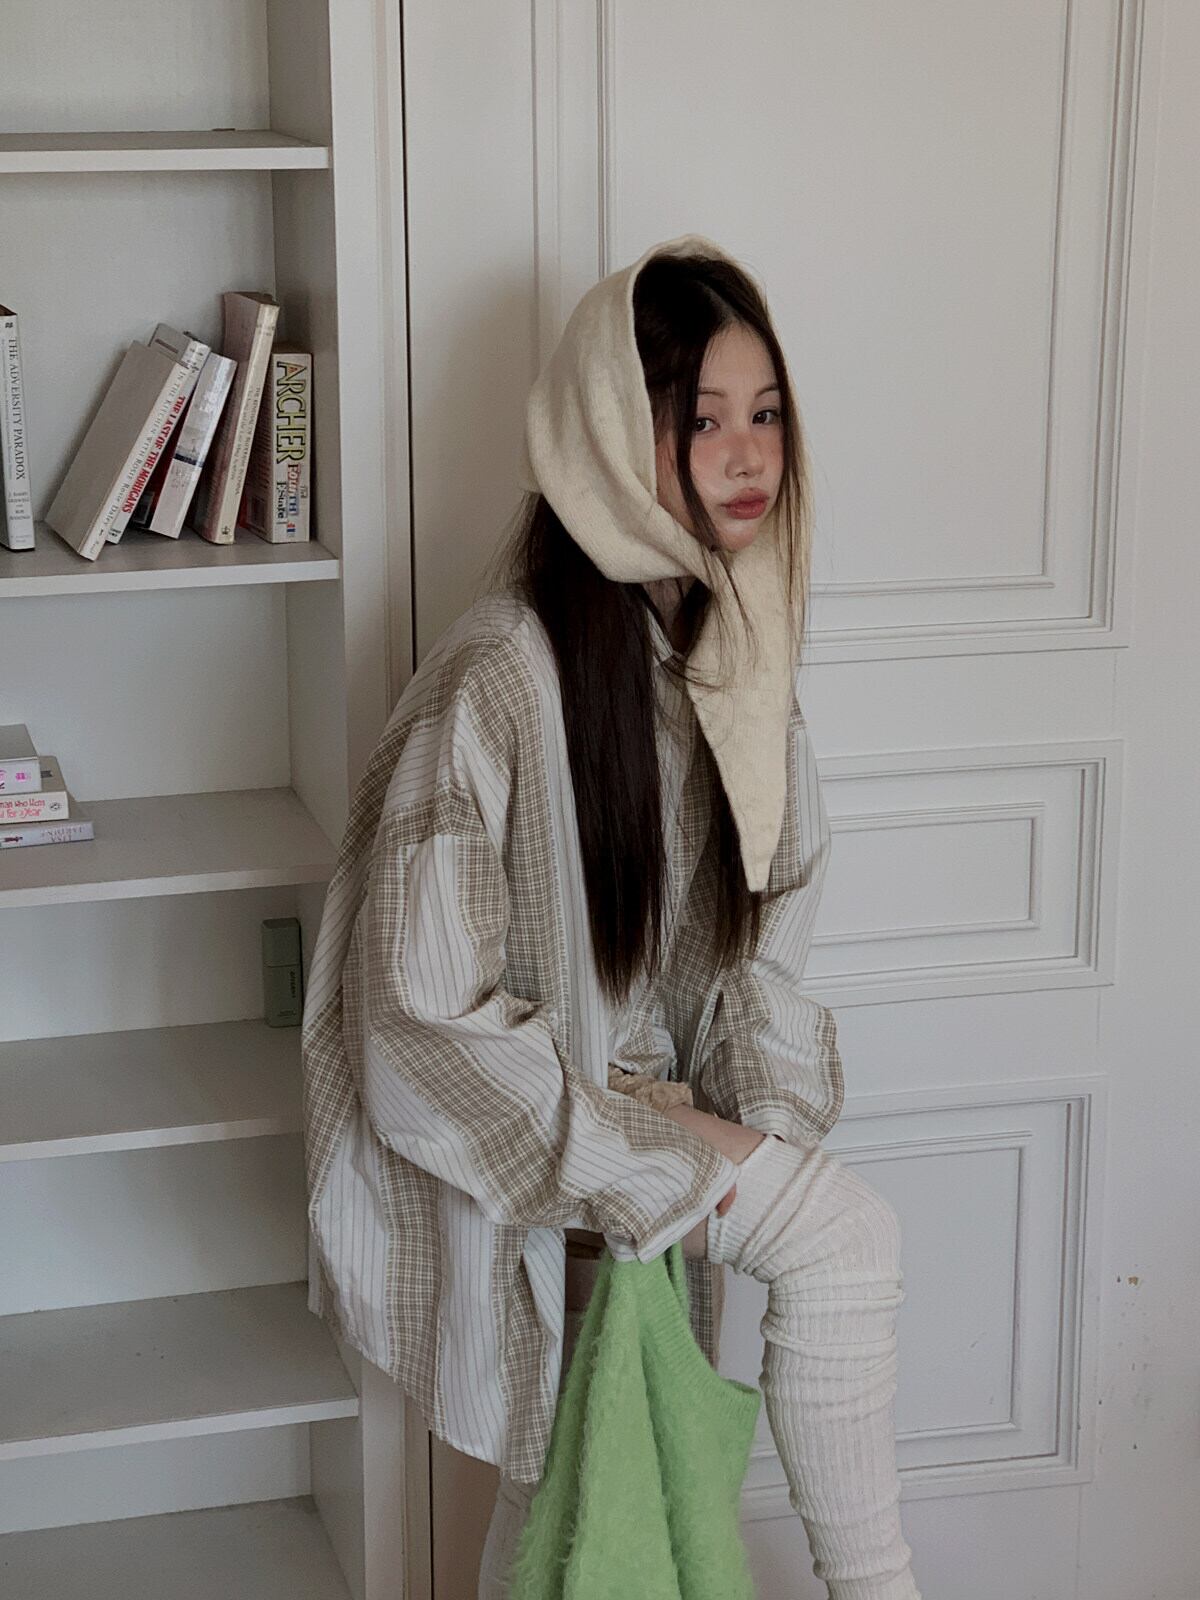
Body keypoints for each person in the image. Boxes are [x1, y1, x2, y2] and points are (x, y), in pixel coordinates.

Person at [300, 233, 922, 1600]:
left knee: (604, 1494)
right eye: (700, 421)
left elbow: (764, 942)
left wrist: (747, 1135)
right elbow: (417, 1016)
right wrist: (655, 1157)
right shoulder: (503, 673)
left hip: (648, 1135)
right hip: (541, 1140)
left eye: (767, 415)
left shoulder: (734, 656)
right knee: (813, 1270)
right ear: (601, 434)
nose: (749, 457)